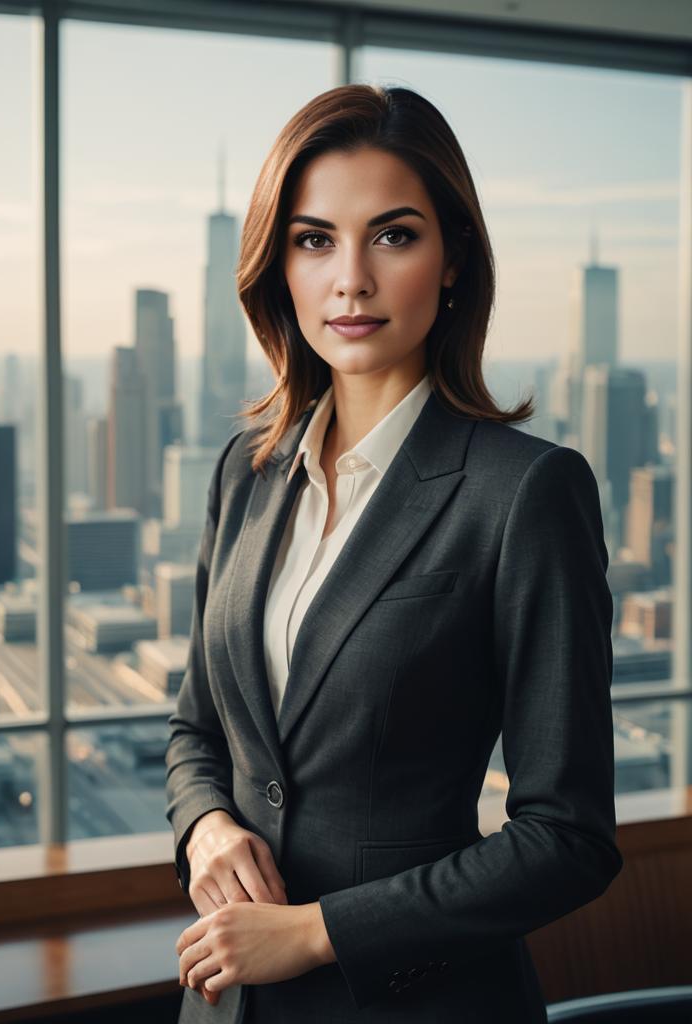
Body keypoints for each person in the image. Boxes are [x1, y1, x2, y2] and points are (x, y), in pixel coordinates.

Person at [164, 83, 623, 1024]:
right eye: (314, 239)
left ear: (452, 258)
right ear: (278, 265)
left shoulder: (525, 493)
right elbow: (195, 734)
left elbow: (566, 837)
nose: (351, 281)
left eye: (395, 235)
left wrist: (317, 931)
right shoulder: (243, 475)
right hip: (227, 1003)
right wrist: (207, 827)